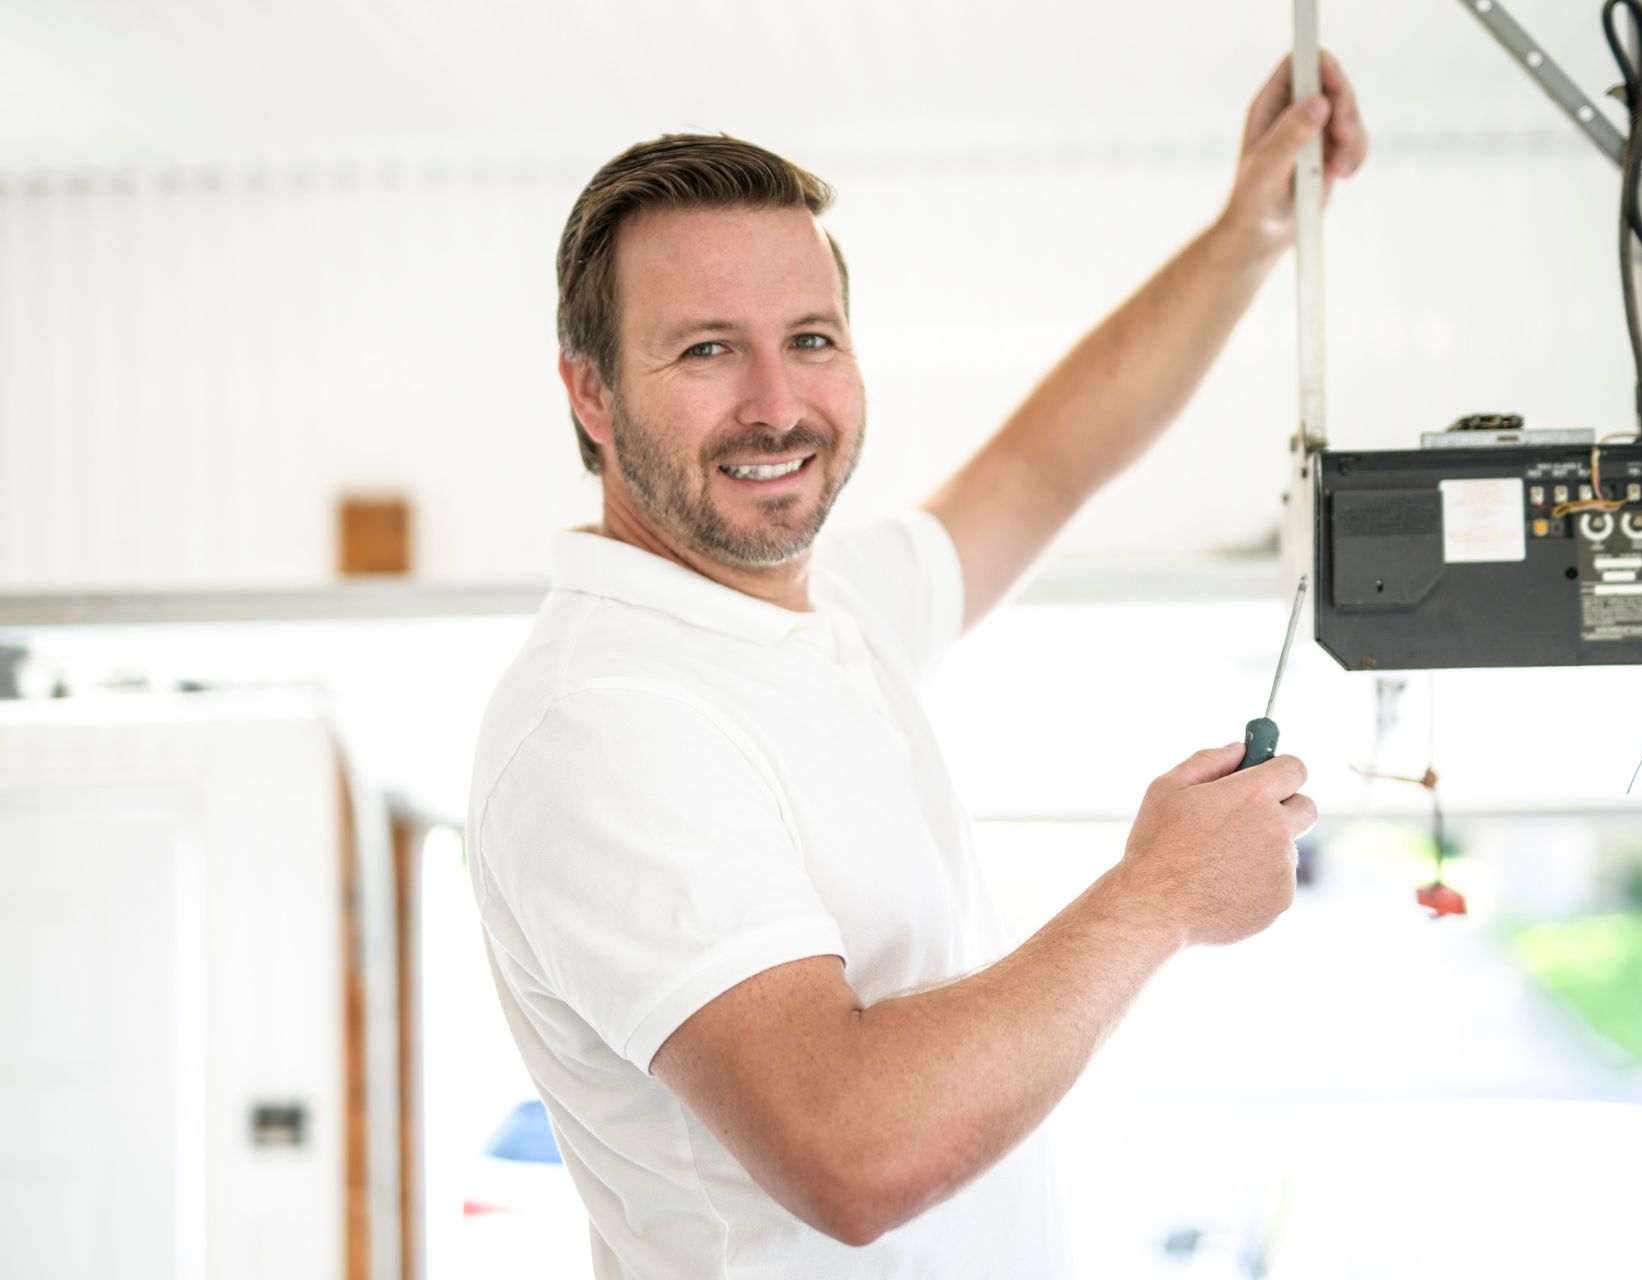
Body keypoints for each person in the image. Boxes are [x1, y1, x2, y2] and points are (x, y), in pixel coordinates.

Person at [468, 49, 1366, 1279]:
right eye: (706, 352)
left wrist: (1248, 234)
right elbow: (851, 1150)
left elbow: (1043, 465)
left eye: (812, 336)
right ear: (592, 394)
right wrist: (1156, 897)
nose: (778, 405)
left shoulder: (813, 607)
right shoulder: (609, 717)